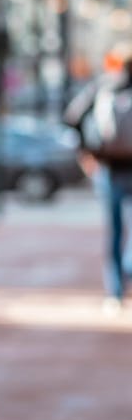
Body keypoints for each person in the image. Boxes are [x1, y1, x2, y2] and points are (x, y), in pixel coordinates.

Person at [63, 54, 132, 316]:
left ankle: (114, 291)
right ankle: (127, 270)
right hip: (116, 168)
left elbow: (71, 118)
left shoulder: (103, 86)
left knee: (115, 232)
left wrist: (87, 153)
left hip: (109, 168)